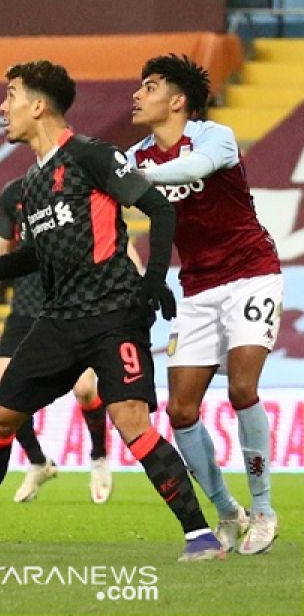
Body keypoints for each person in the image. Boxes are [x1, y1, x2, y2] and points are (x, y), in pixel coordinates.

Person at [0, 60, 224, 561]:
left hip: (112, 313)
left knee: (131, 421)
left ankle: (199, 535)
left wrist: (154, 280)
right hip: (58, 319)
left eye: (10, 95)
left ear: (38, 106)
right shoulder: (31, 187)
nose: (2, 106)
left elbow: (159, 209)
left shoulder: (93, 157)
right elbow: (34, 256)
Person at [128, 54, 283, 555]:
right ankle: (226, 510)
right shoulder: (136, 154)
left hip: (250, 275)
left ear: (177, 100)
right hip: (195, 288)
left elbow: (195, 168)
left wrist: (135, 181)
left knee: (242, 388)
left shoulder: (215, 136)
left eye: (149, 87)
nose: (137, 95)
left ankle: (263, 509)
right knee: (181, 409)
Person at [0, 177, 125, 505]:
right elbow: (0, 246)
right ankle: (38, 461)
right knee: (3, 396)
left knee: (86, 389)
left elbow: (110, 237)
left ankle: (100, 456)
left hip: (69, 307)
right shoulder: (13, 194)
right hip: (25, 309)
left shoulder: (79, 188)